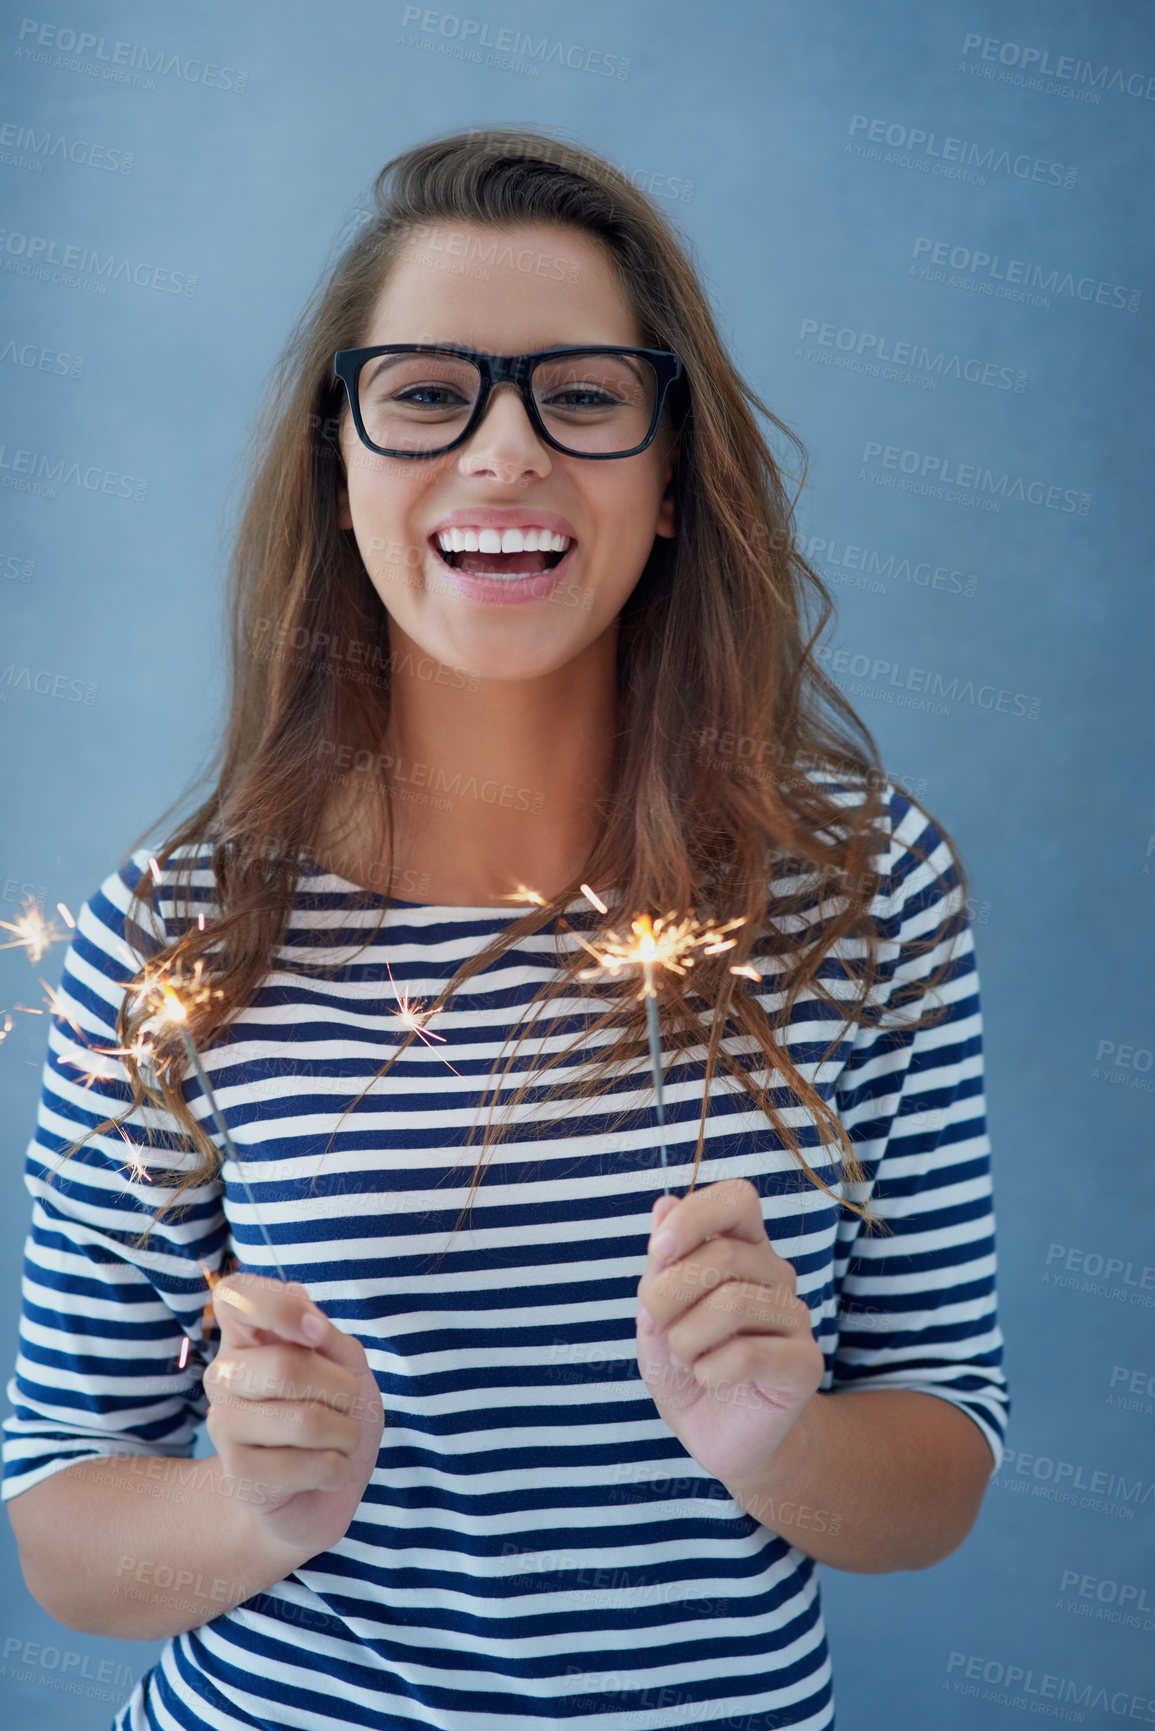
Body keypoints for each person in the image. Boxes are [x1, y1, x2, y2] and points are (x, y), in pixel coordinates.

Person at [2, 125, 1008, 1731]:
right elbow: (64, 1528)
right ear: (339, 469)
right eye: (424, 394)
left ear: (673, 480)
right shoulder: (179, 935)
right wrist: (247, 1509)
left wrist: (784, 1443)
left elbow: (942, 1464)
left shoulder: (861, 892)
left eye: (584, 396)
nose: (503, 453)